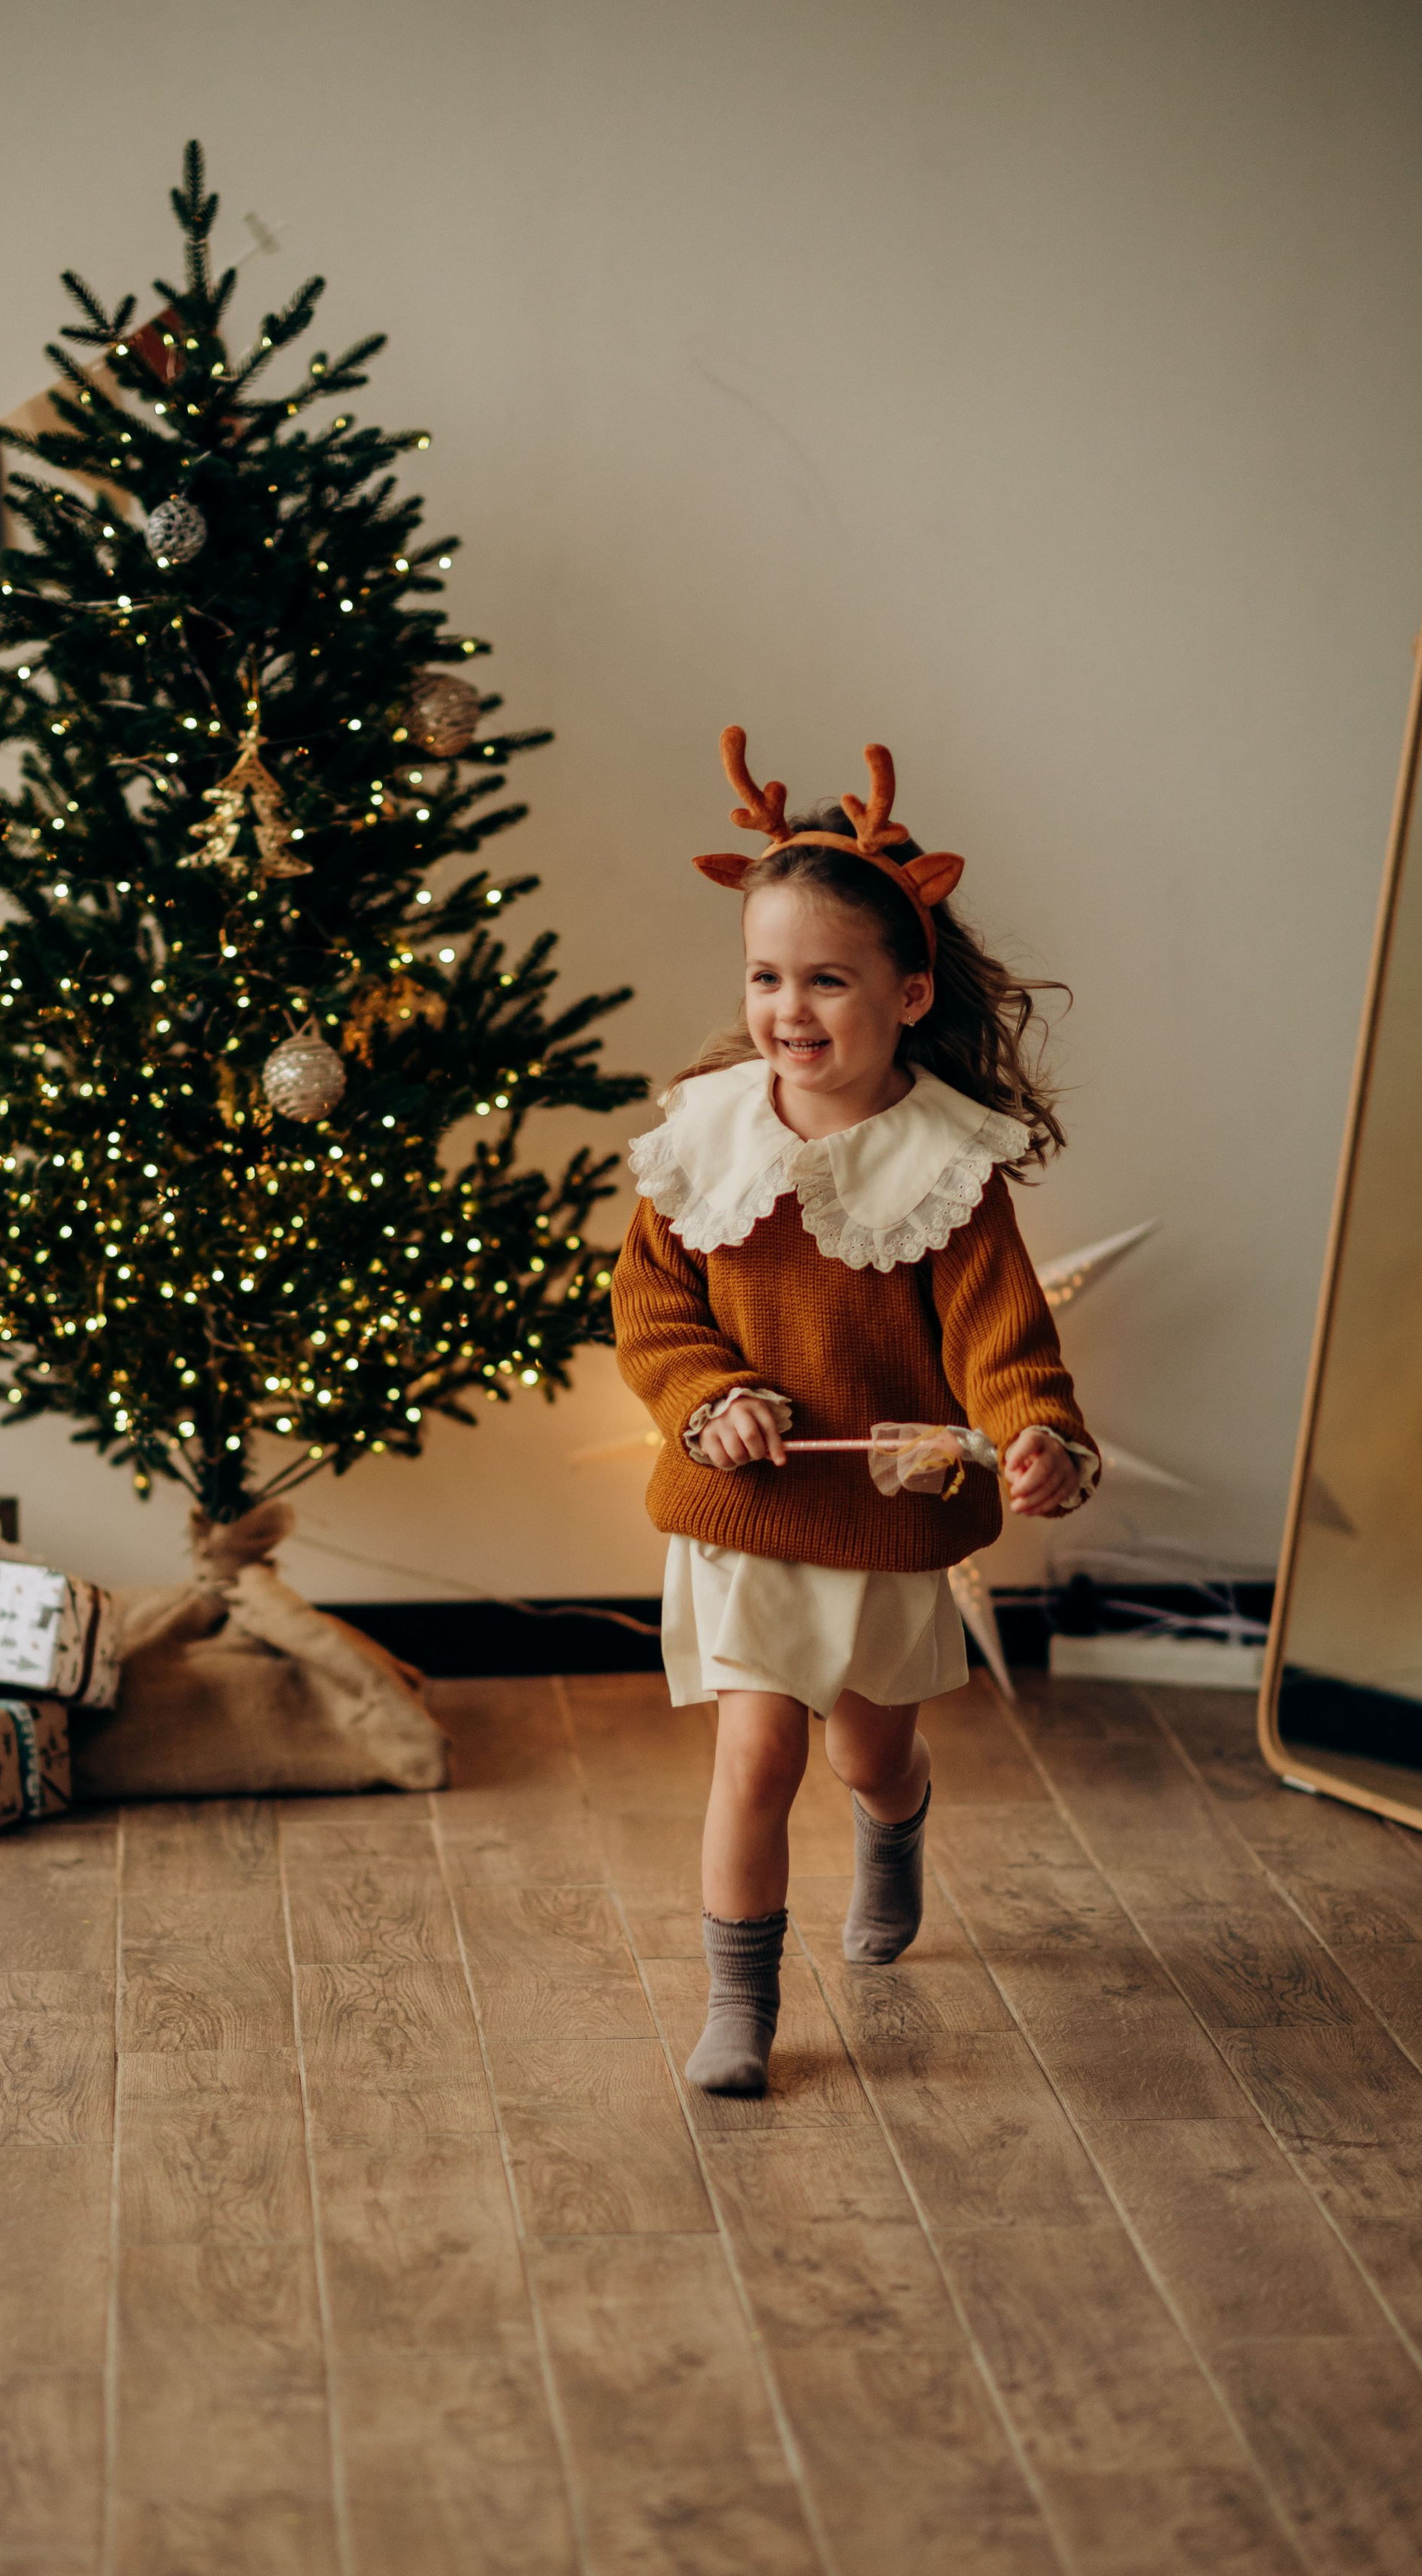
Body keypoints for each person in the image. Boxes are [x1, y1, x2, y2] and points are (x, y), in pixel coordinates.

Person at [611, 728, 1097, 2096]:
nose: (791, 1009)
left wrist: (1038, 1431)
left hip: (882, 1520)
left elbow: (1003, 1342)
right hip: (751, 1509)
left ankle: (897, 1827)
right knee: (755, 1756)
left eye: (828, 978)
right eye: (768, 976)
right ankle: (741, 2010)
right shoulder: (703, 1135)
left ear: (909, 989)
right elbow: (651, 1314)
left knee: (869, 1753)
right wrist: (706, 1403)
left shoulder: (948, 1165)